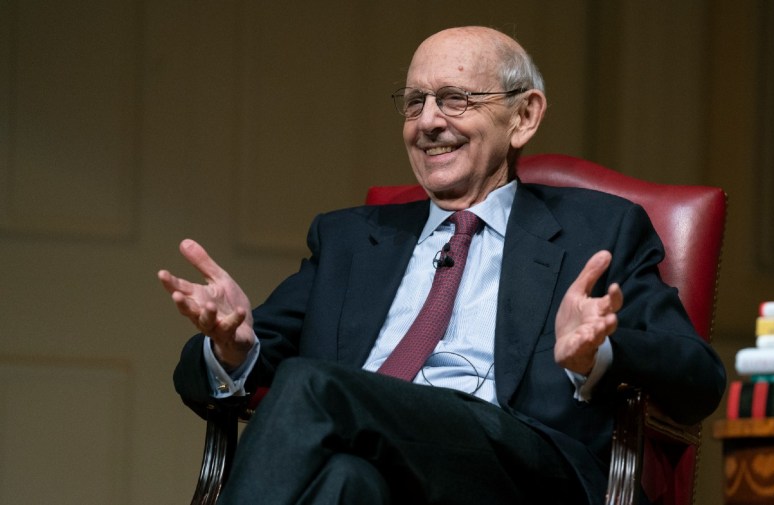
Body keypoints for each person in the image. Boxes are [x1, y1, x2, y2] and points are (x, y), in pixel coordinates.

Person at [159, 26, 725, 505]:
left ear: (523, 116)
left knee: (310, 384)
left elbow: (698, 379)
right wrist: (230, 348)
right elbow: (207, 373)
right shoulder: (352, 240)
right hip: (386, 466)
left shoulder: (598, 231)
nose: (427, 122)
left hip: (524, 470)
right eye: (413, 102)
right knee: (344, 481)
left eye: (454, 99)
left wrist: (599, 352)